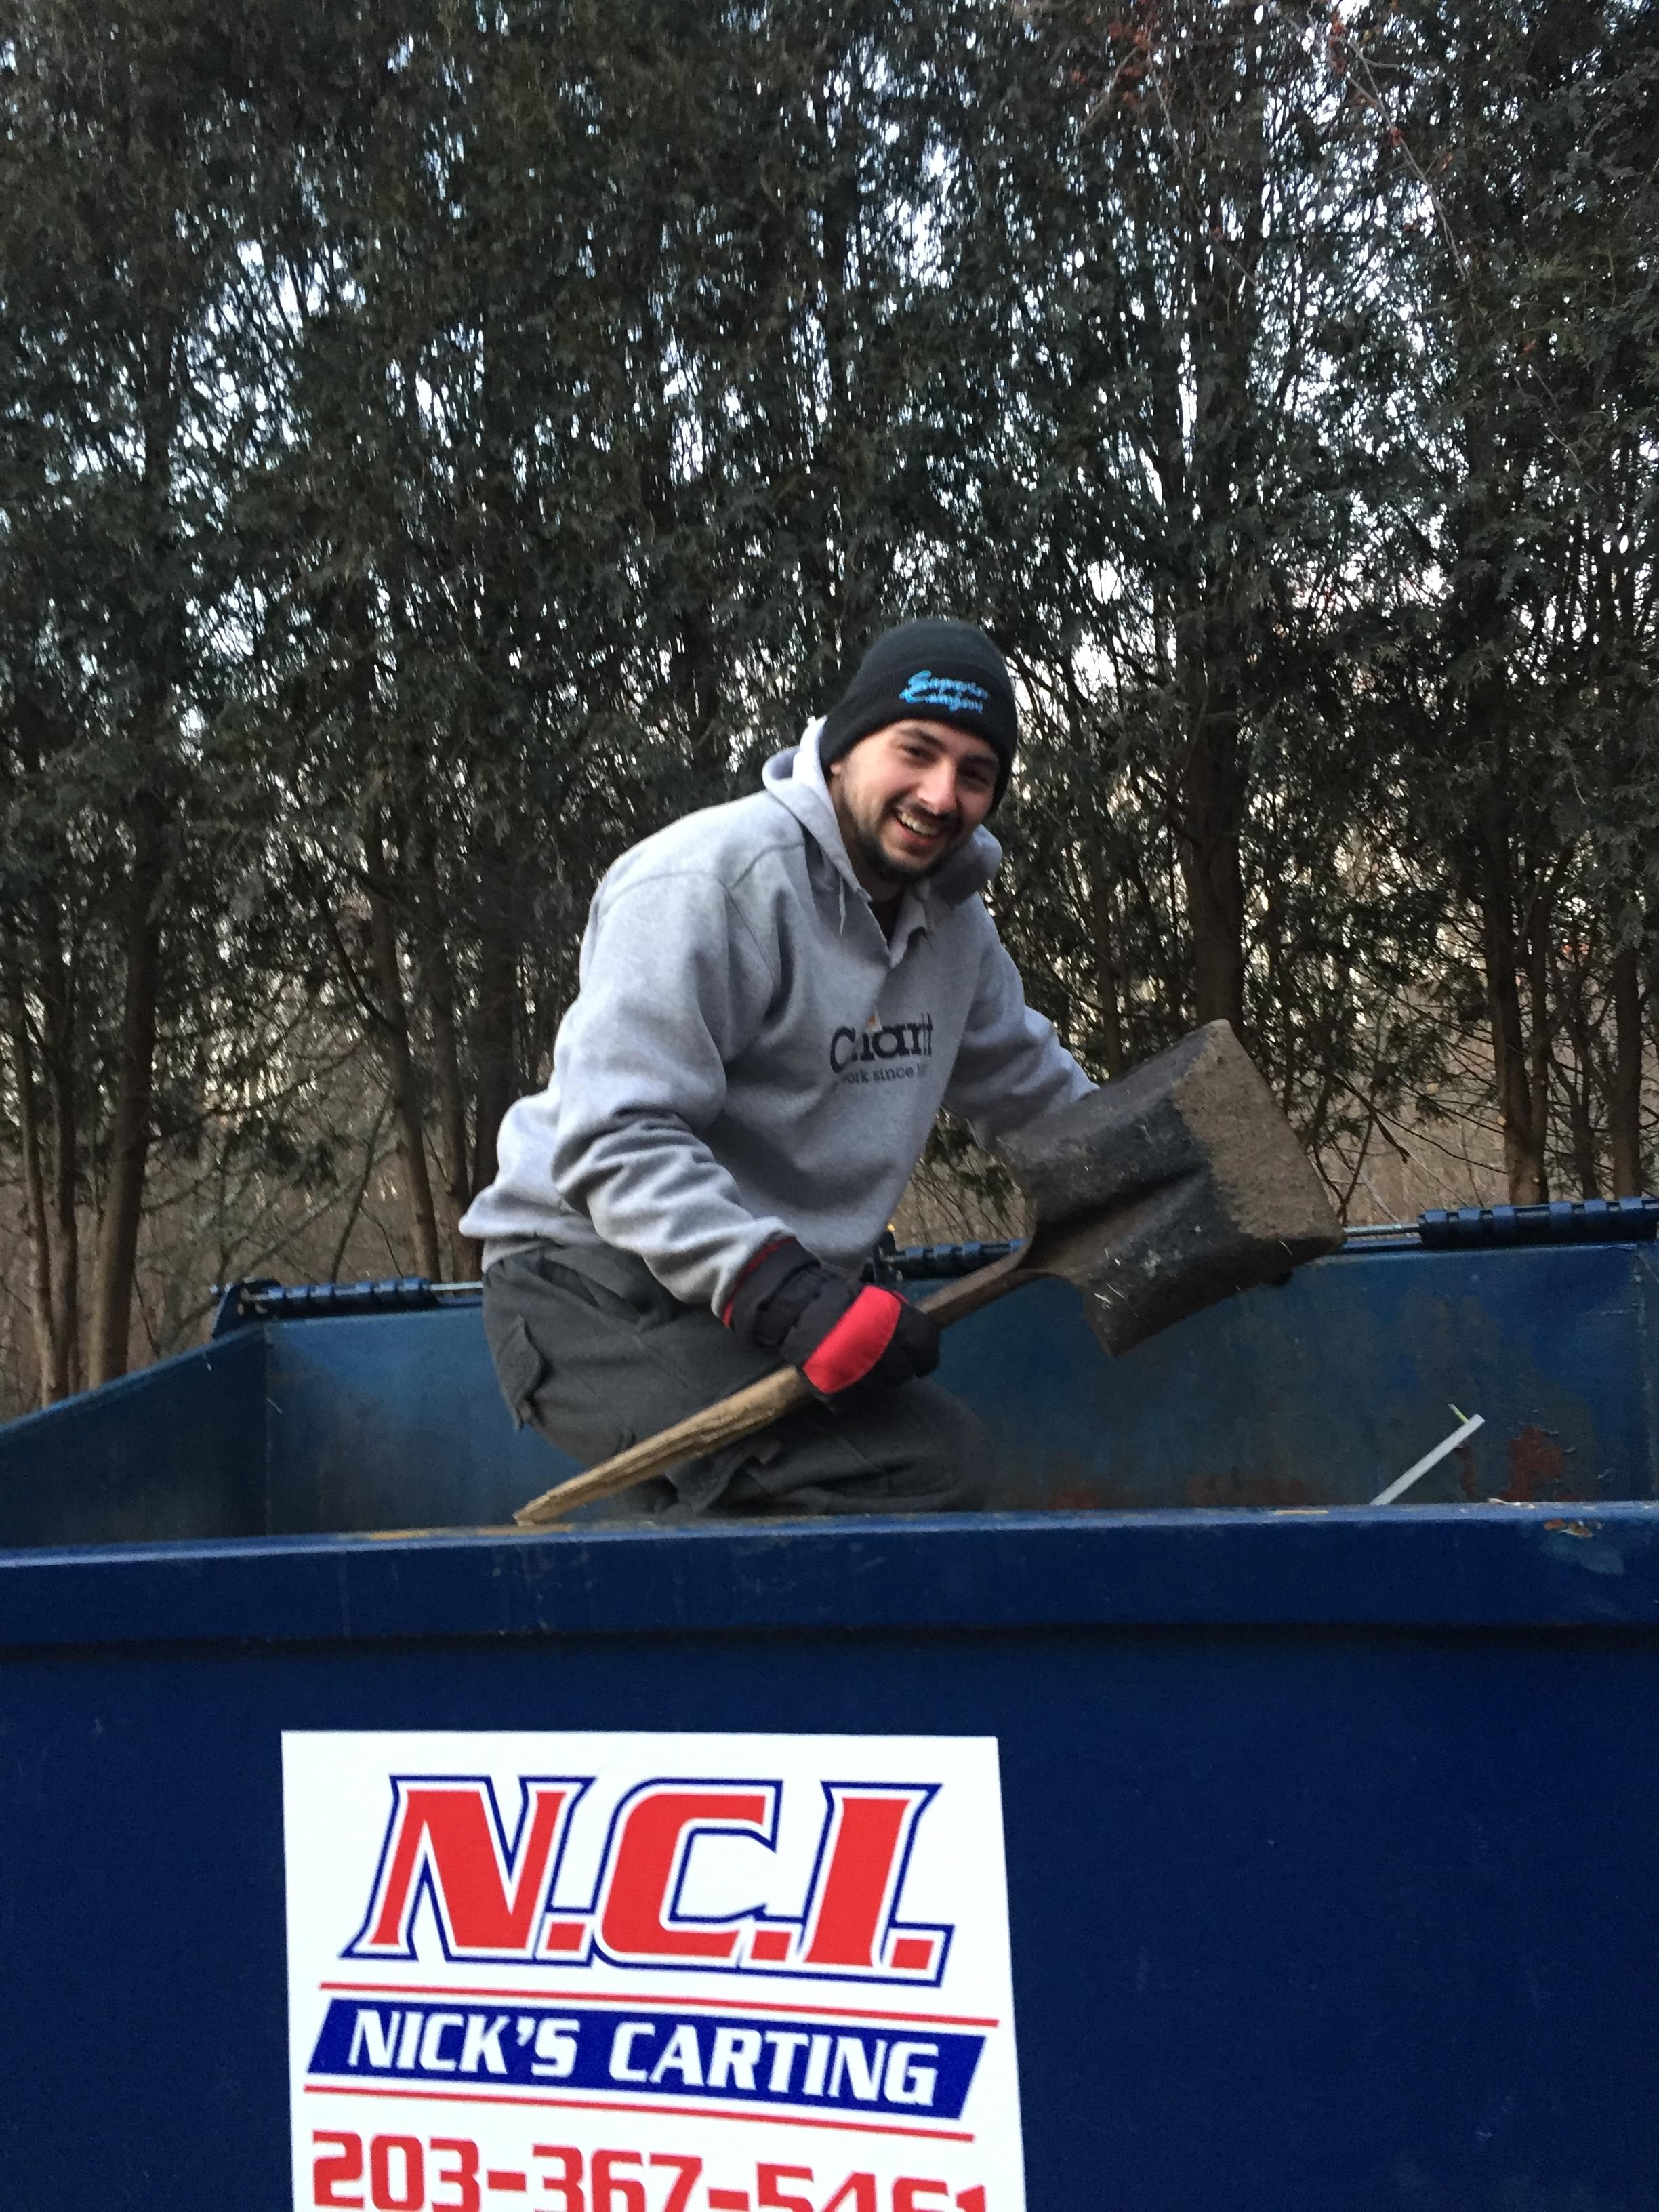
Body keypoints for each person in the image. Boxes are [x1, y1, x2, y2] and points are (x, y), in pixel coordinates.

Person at [460, 617, 1094, 1516]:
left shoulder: (953, 925)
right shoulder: (706, 884)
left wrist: (1151, 1169)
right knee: (926, 1470)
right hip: (589, 1287)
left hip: (756, 1295)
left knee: (910, 1463)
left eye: (975, 773)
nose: (941, 793)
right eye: (915, 751)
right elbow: (614, 1137)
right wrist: (788, 1294)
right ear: (842, 748)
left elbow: (1028, 1090)